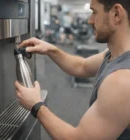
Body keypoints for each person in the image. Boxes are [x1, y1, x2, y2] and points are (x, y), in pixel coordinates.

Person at [15, 0, 130, 139]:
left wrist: (36, 106)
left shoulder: (122, 80)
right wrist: (51, 49)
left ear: (116, 14)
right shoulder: (113, 53)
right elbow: (81, 66)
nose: (90, 20)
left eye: (94, 12)